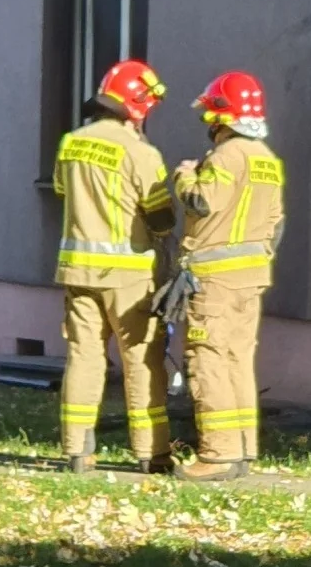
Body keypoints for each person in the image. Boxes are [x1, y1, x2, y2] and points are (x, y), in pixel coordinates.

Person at [52, 59, 176, 474]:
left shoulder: (71, 143)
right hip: (128, 277)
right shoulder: (141, 153)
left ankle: (77, 451)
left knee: (84, 358)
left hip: (77, 273)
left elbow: (58, 189)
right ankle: (151, 453)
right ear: (138, 106)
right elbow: (161, 217)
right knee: (141, 361)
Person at [171, 70, 285, 482]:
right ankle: (242, 451)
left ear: (221, 116)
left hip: (215, 283)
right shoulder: (267, 161)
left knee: (210, 361)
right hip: (251, 280)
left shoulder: (225, 157)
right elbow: (276, 226)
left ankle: (216, 456)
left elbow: (203, 201)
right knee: (238, 361)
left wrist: (184, 176)